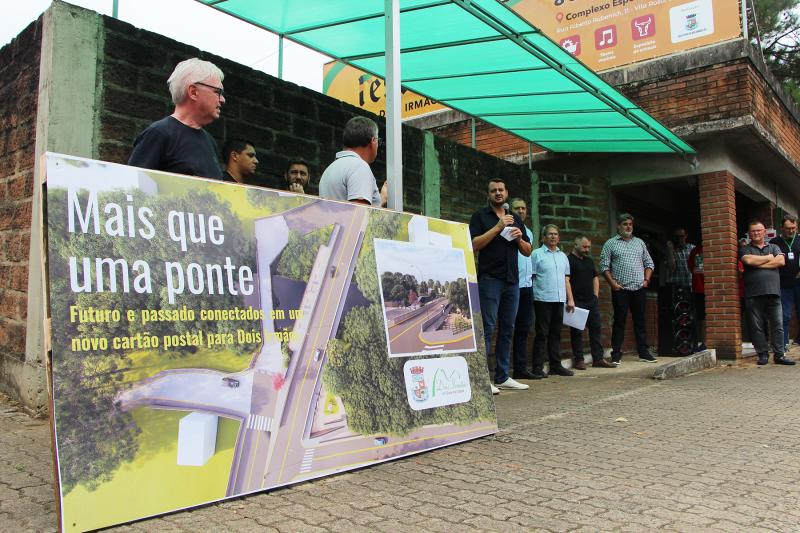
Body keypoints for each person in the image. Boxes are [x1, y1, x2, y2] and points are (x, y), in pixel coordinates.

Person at [470, 179, 532, 393]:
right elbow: (473, 245)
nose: (498, 193)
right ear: (488, 194)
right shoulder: (480, 216)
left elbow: (527, 250)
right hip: (490, 279)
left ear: (507, 193)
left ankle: (502, 376)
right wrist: (497, 227)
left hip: (512, 280)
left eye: (501, 190)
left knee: (508, 329)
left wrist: (517, 239)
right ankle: (483, 379)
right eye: (493, 190)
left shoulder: (514, 218)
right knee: (487, 328)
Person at [128, 58, 225, 179]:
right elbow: (134, 186)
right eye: (217, 92)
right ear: (193, 92)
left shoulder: (210, 141)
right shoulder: (159, 133)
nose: (222, 99)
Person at [599, 213, 656, 364]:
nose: (628, 227)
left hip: (638, 288)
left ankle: (643, 353)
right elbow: (604, 266)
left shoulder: (639, 243)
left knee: (640, 321)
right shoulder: (610, 243)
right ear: (618, 226)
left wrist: (646, 280)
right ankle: (616, 354)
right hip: (621, 289)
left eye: (630, 224)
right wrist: (612, 284)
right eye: (625, 224)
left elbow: (649, 263)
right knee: (619, 321)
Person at [740, 220, 795, 365]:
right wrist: (769, 258)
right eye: (753, 231)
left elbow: (781, 262)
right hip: (753, 293)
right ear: (749, 234)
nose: (756, 233)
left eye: (759, 230)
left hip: (773, 293)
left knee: (778, 325)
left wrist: (759, 263)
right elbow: (748, 261)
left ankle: (779, 355)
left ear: (764, 232)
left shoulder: (774, 247)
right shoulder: (745, 249)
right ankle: (763, 354)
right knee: (756, 326)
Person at [530, 224, 575, 377]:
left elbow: (566, 279)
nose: (553, 236)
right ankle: (537, 368)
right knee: (542, 333)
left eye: (556, 234)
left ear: (559, 237)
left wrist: (570, 299)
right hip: (542, 298)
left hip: (559, 299)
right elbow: (531, 277)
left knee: (556, 333)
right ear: (543, 237)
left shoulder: (563, 257)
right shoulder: (536, 254)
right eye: (550, 234)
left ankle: (556, 365)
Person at [568, 236, 615, 369]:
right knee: (577, 332)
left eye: (588, 247)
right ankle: (579, 360)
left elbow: (595, 278)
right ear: (575, 245)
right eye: (584, 247)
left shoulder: (589, 261)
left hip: (591, 301)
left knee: (596, 329)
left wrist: (595, 296)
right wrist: (570, 299)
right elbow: (566, 281)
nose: (587, 249)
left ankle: (598, 359)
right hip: (576, 301)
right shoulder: (569, 260)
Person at [319, 116, 386, 207]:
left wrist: (382, 199)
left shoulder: (329, 169)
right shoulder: (359, 167)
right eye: (378, 141)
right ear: (373, 141)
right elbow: (358, 213)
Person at [508, 198, 537, 380]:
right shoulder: (508, 228)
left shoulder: (529, 232)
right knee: (508, 327)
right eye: (517, 208)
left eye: (523, 208)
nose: (521, 211)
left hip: (527, 285)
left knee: (524, 328)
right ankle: (504, 370)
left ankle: (520, 368)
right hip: (512, 285)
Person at [769, 216, 800, 350]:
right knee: (784, 314)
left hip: (799, 283)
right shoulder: (774, 242)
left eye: (793, 228)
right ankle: (783, 343)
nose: (791, 230)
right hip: (782, 284)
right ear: (781, 228)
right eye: (788, 228)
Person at [687, 244, 707, 351]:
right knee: (702, 317)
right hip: (699, 288)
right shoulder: (696, 251)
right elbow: (691, 267)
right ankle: (704, 343)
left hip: (714, 287)